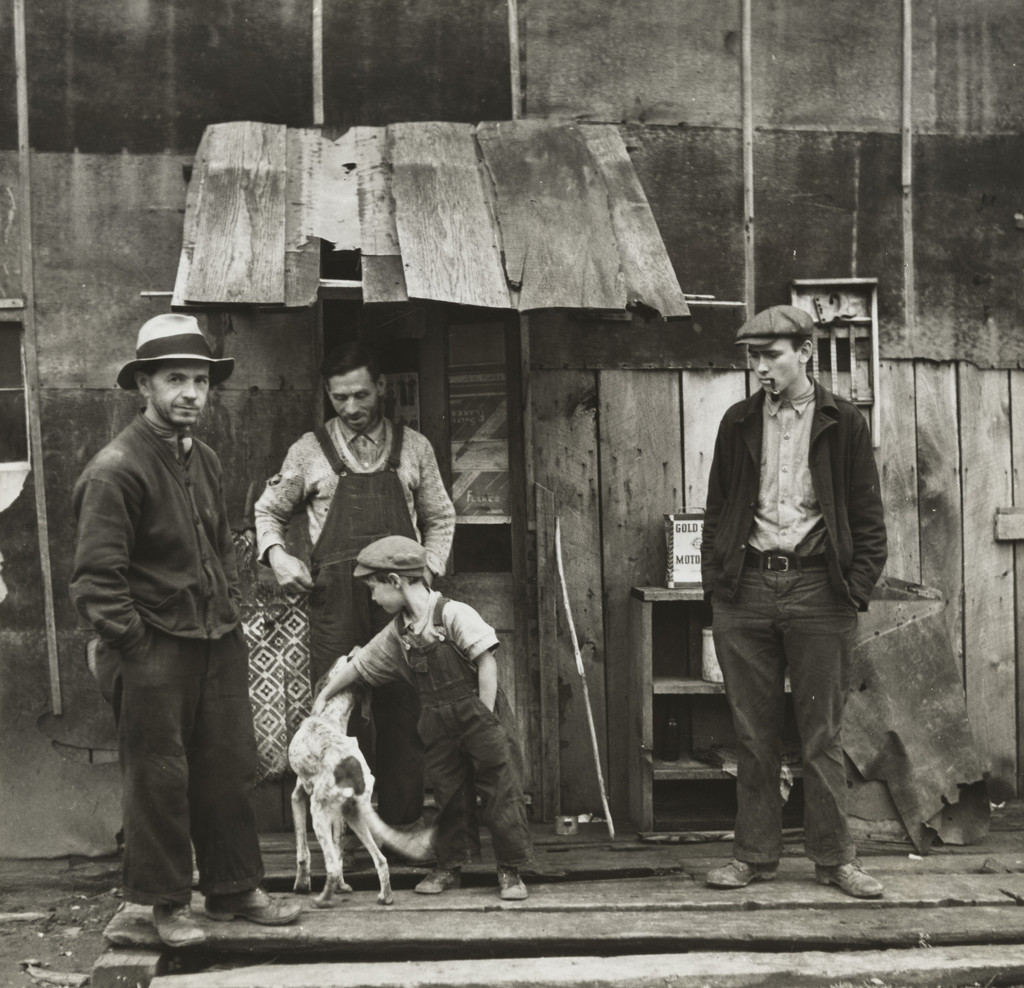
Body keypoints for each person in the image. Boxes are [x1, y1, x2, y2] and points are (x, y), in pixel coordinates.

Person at [69, 313, 301, 948]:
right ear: (144, 384)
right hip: (151, 648)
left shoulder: (208, 459)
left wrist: (228, 618)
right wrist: (138, 650)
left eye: (201, 380)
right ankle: (165, 904)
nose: (192, 394)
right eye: (176, 379)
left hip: (215, 641)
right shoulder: (117, 468)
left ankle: (233, 887)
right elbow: (95, 580)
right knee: (159, 776)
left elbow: (218, 546)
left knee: (229, 767)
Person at [700, 304, 888, 899]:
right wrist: (718, 582)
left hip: (818, 592)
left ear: (806, 352)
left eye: (771, 355)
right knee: (753, 736)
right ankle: (754, 857)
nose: (760, 368)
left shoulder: (844, 422)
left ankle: (835, 860)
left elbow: (868, 522)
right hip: (747, 591)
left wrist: (851, 591)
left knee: (821, 735)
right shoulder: (737, 423)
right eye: (753, 357)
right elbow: (717, 511)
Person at [254, 342, 455, 829]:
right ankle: (345, 828)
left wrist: (424, 580)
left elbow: (441, 517)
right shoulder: (307, 451)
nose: (351, 408)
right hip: (335, 605)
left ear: (382, 387)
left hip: (400, 605)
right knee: (336, 714)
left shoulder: (415, 448)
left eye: (361, 395)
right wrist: (277, 556)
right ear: (328, 394)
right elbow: (268, 511)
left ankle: (402, 823)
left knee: (403, 709)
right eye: (339, 398)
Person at [312, 535, 533, 900]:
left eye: (374, 588)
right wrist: (325, 692)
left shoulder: (452, 613)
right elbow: (362, 664)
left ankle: (510, 871)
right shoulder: (398, 632)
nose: (373, 598)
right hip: (438, 725)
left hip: (479, 716)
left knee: (500, 791)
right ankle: (449, 866)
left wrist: (484, 715)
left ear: (395, 581)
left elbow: (486, 662)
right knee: (448, 795)